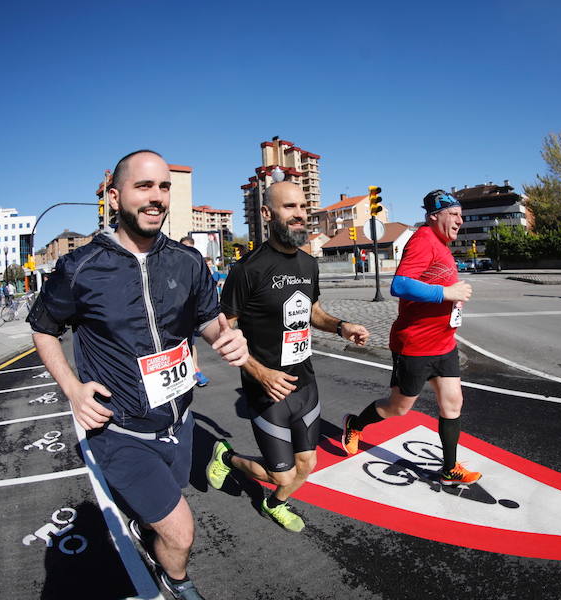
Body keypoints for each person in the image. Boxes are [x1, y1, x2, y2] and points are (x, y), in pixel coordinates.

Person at [29, 149, 248, 600]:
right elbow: (43, 328)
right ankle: (175, 579)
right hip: (120, 429)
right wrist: (73, 389)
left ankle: (149, 528)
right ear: (114, 197)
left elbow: (208, 320)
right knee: (181, 534)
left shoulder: (188, 261)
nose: (157, 198)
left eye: (164, 187)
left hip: (178, 422)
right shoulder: (80, 267)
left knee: (166, 508)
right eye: (144, 186)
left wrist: (227, 338)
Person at [206, 181, 369, 532]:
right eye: (289, 207)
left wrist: (342, 327)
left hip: (304, 382)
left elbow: (314, 313)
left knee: (307, 465)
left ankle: (274, 503)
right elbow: (224, 333)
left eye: (303, 207)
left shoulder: (309, 264)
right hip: (265, 390)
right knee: (285, 474)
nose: (300, 215)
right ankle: (228, 457)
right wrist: (260, 372)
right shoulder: (247, 269)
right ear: (267, 214)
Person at [340, 189, 482, 487]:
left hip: (444, 345)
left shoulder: (442, 245)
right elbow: (400, 285)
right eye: (454, 214)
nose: (460, 219)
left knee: (453, 403)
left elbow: (431, 282)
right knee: (399, 408)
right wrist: (446, 293)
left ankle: (449, 468)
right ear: (434, 216)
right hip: (415, 346)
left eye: (460, 214)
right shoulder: (423, 240)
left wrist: (453, 298)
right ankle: (355, 423)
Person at [179, 235, 210, 388]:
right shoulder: (173, 265)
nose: (187, 252)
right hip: (175, 314)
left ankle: (196, 371)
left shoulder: (198, 266)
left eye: (190, 249)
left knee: (191, 343)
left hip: (192, 312)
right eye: (184, 248)